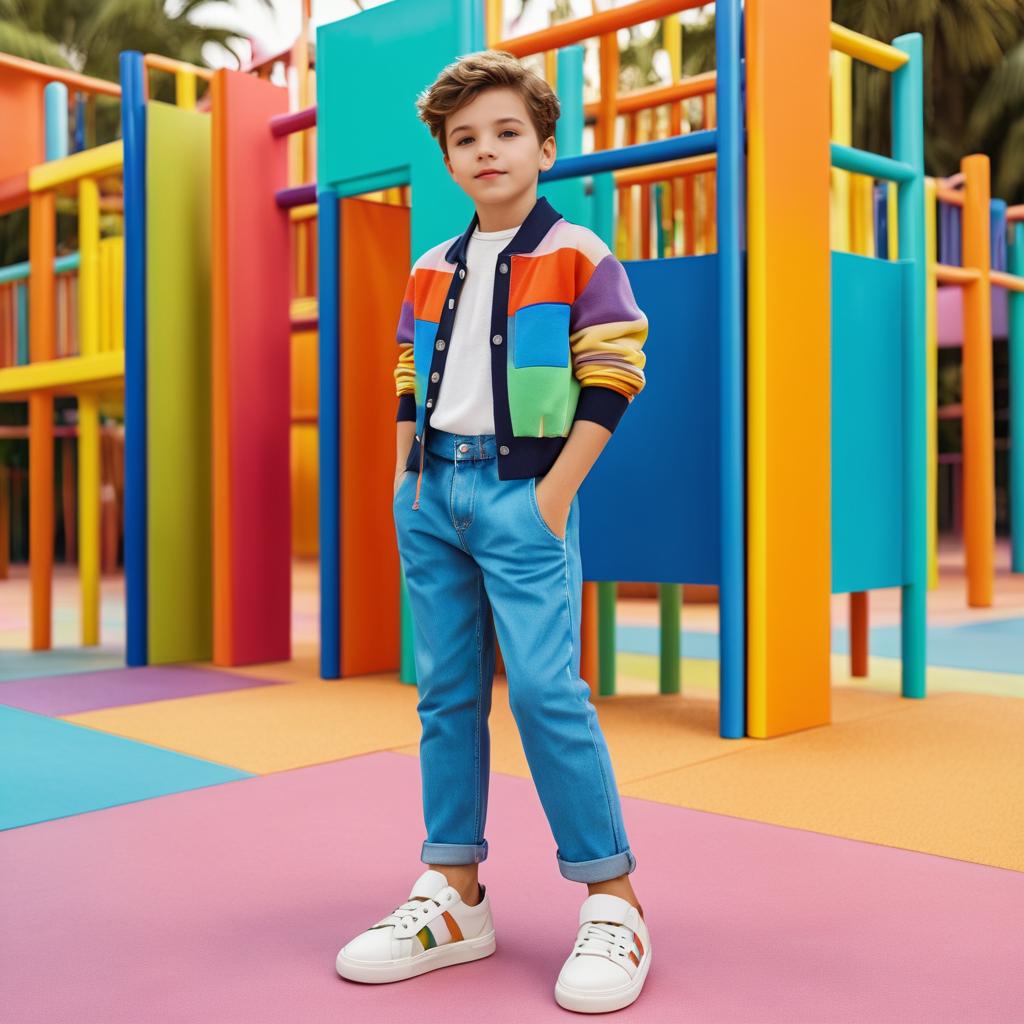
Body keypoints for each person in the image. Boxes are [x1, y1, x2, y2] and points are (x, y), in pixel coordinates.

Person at [336, 49, 651, 1014]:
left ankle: (614, 902)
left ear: (545, 146)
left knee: (549, 694)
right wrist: (402, 476)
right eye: (464, 138)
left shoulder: (580, 254)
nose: (486, 150)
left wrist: (553, 496)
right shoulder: (432, 266)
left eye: (507, 132)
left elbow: (615, 370)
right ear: (447, 158)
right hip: (434, 496)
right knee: (445, 694)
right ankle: (454, 894)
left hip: (525, 496)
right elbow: (406, 368)